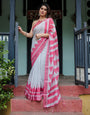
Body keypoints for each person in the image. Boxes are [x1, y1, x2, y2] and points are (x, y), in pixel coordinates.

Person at [18, 2, 61, 108]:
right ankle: (35, 92)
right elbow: (30, 35)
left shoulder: (49, 21)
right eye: (41, 8)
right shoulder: (34, 22)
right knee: (36, 68)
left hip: (45, 47)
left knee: (41, 68)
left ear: (47, 12)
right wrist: (22, 31)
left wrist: (41, 35)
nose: (42, 11)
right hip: (35, 48)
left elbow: (53, 34)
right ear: (39, 10)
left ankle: (43, 90)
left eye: (45, 9)